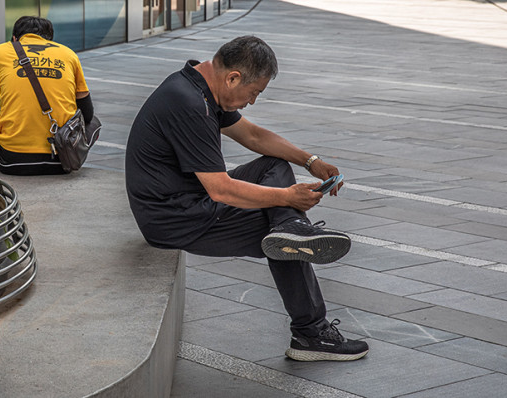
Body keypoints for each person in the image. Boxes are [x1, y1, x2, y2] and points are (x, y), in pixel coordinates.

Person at [125, 35, 368, 362]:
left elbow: (252, 135)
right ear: (233, 78)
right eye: (254, 93)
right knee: (284, 236)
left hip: (187, 203)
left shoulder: (199, 85)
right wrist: (287, 196)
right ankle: (311, 334)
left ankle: (291, 228)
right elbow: (220, 189)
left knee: (276, 175)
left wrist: (311, 161)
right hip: (176, 221)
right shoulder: (191, 104)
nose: (252, 101)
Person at [0, 16, 94, 175]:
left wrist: (1, 117)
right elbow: (87, 115)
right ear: (50, 40)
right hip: (62, 161)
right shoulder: (68, 54)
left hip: (12, 160)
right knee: (94, 123)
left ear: (14, 38)